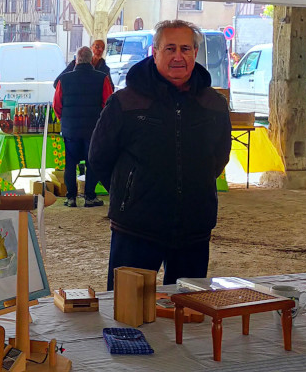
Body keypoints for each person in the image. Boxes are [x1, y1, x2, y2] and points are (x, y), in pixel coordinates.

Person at [89, 20, 232, 287]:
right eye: (170, 48)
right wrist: (129, 192)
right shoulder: (125, 102)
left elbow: (219, 157)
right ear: (154, 53)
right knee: (127, 316)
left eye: (186, 49)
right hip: (136, 229)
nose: (179, 56)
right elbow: (99, 156)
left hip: (194, 229)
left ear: (195, 53)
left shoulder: (214, 104)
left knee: (188, 314)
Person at [53, 46, 113, 208]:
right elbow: (108, 103)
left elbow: (57, 105)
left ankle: (71, 198)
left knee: (70, 163)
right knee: (91, 162)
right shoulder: (102, 78)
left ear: (76, 60)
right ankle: (89, 197)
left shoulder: (63, 80)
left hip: (70, 129)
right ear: (91, 59)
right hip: (93, 129)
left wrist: (64, 120)